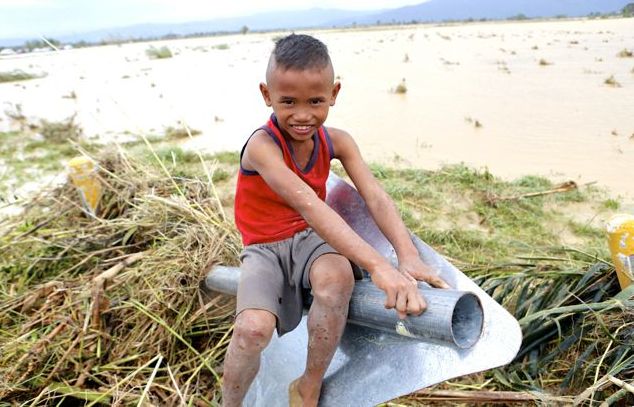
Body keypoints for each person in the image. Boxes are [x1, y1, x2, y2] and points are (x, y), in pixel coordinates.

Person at [222, 33, 449, 407]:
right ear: (267, 95)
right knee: (252, 329)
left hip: (311, 239)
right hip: (264, 247)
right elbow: (311, 204)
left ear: (334, 93)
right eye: (288, 102)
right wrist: (378, 266)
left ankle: (308, 385)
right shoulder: (262, 147)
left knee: (337, 277)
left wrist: (406, 255)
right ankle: (230, 403)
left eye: (315, 101)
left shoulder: (338, 141)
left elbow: (374, 196)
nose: (302, 115)